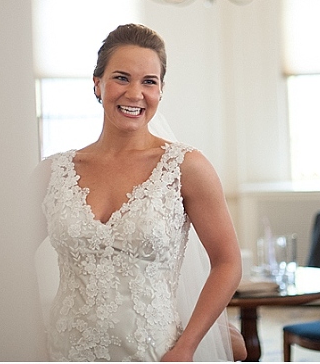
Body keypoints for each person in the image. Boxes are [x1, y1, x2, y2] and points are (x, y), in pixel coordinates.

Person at [29, 24, 244, 361]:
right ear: (97, 84)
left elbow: (228, 262)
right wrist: (29, 332)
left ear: (161, 91)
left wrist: (187, 347)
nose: (134, 93)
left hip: (155, 353)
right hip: (64, 351)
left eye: (149, 82)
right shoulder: (52, 173)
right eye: (121, 78)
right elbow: (6, 259)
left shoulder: (186, 167)